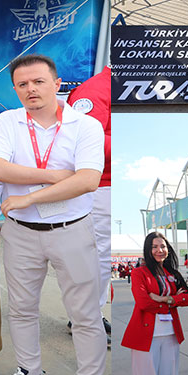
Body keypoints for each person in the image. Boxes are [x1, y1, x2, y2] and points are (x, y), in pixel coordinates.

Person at [0, 54, 107, 375]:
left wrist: (29, 194)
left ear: (57, 84)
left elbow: (87, 180)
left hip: (71, 229)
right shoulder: (8, 121)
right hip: (20, 233)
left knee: (85, 316)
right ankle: (30, 373)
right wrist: (56, 176)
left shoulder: (85, 126)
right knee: (21, 308)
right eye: (22, 84)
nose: (30, 90)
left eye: (37, 82)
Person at [126, 232, 188, 375]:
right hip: (147, 336)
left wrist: (164, 299)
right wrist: (173, 301)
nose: (159, 250)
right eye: (154, 247)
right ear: (148, 249)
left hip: (170, 334)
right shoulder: (139, 273)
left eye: (162, 246)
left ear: (167, 248)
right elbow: (144, 302)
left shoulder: (172, 272)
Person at [67, 66, 113, 340]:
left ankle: (88, 317)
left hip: (110, 185)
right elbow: (83, 139)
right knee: (94, 256)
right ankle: (86, 320)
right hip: (98, 185)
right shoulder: (96, 88)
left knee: (101, 257)